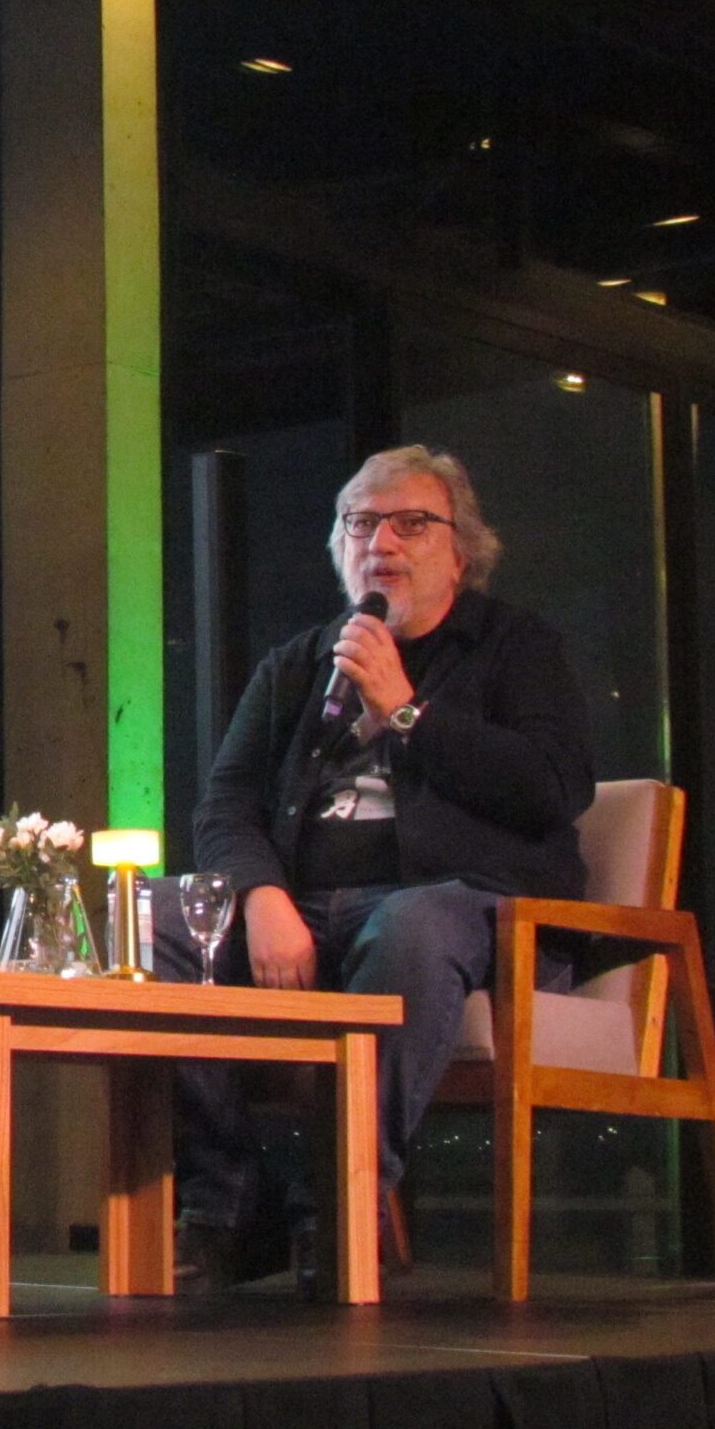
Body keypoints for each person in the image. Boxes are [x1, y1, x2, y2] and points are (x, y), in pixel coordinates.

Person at [162, 445, 595, 1290]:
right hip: (303, 904)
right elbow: (225, 803)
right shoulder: (300, 662)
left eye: (411, 523)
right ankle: (227, 1199)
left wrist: (405, 711)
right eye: (361, 522)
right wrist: (260, 897)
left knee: (412, 925)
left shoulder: (515, 647)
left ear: (461, 552)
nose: (381, 541)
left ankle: (339, 1207)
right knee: (152, 923)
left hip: (461, 908)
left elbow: (553, 789)